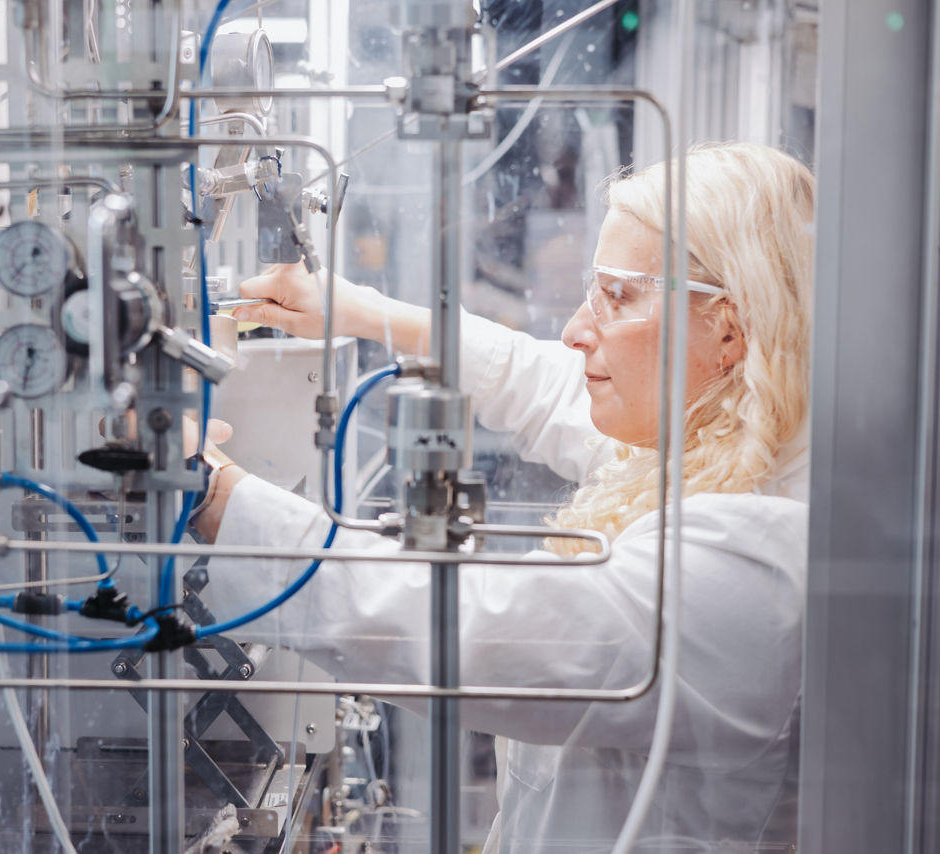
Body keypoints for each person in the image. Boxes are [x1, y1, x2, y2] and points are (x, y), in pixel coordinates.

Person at [189, 141, 814, 853]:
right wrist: (365, 312)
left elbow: (460, 629)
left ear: (727, 329)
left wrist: (210, 490)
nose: (578, 330)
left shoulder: (750, 561)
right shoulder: (733, 441)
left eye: (617, 295)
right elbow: (543, 381)